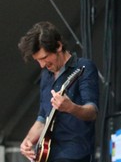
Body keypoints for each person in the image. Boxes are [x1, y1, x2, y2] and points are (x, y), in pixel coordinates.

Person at [18, 21, 99, 162]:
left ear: (58, 46)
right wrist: (28, 140)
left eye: (44, 58)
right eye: (38, 60)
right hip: (48, 155)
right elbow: (43, 117)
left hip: (74, 155)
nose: (42, 65)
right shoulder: (45, 75)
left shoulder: (84, 67)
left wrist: (71, 107)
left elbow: (92, 112)